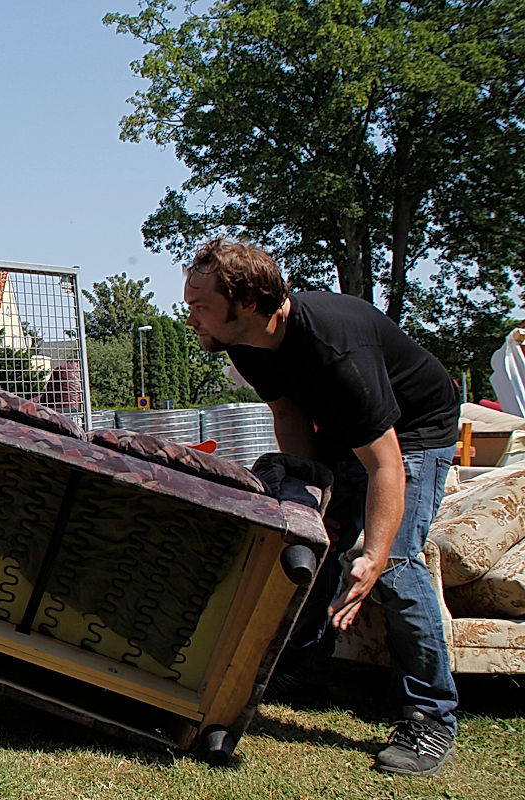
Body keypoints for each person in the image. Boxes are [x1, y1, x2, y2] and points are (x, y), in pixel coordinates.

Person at [182, 238, 460, 777]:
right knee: (314, 545)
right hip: (342, 428)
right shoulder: (243, 341)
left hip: (413, 431)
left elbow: (386, 465)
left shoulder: (337, 350)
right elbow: (288, 413)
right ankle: (304, 670)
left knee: (394, 563)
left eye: (200, 306)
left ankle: (430, 715)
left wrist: (373, 554)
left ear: (248, 304)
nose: (191, 318)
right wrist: (308, 506)